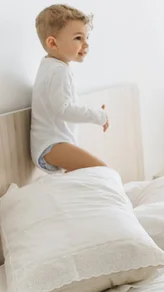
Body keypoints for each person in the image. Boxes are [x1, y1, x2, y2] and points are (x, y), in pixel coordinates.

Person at [30, 4, 109, 173]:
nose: (86, 44)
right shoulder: (59, 71)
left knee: (83, 179)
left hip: (52, 143)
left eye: (87, 37)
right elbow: (63, 110)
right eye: (78, 38)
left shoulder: (49, 65)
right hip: (52, 144)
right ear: (53, 43)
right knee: (102, 171)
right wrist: (98, 115)